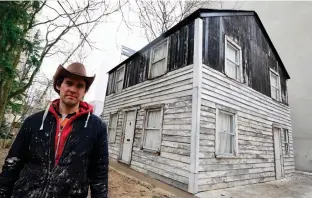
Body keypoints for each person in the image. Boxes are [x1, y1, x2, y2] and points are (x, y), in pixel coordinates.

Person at [0, 63, 109, 198]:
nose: (73, 89)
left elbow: (99, 175)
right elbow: (13, 164)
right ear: (59, 85)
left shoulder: (96, 127)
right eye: (69, 83)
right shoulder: (33, 122)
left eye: (80, 86)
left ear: (85, 91)